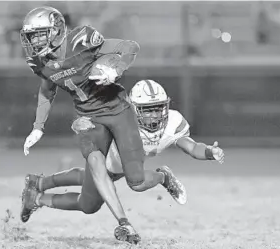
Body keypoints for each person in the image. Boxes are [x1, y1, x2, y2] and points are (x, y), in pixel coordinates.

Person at [19, 7, 182, 244]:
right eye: (31, 36)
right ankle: (124, 224)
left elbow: (130, 47)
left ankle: (163, 177)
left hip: (118, 111)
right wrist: (38, 126)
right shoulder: (40, 62)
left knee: (130, 185)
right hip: (88, 119)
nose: (34, 41)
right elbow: (47, 88)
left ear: (56, 31)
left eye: (39, 34)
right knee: (94, 170)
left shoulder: (81, 41)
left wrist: (115, 68)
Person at [23, 80, 225, 240]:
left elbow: (190, 146)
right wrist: (80, 124)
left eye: (157, 108)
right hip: (110, 162)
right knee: (88, 204)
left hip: (123, 165)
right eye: (147, 109)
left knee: (108, 184)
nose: (154, 115)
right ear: (134, 109)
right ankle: (38, 194)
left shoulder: (172, 121)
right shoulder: (122, 119)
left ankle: (38, 187)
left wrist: (208, 152)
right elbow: (95, 120)